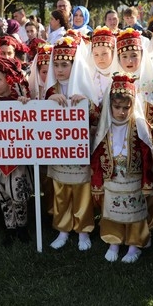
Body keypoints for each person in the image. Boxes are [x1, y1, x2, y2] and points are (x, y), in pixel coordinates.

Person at [91, 73, 153, 263]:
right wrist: (97, 183)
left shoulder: (139, 126)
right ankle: (114, 241)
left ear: (133, 105)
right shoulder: (105, 127)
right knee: (112, 212)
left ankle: (135, 245)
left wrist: (147, 183)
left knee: (135, 213)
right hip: (112, 180)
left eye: (126, 108)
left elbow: (147, 157)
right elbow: (97, 156)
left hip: (133, 181)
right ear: (109, 106)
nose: (121, 112)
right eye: (117, 107)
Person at [45, 36, 97, 251]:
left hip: (79, 152)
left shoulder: (85, 88)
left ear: (74, 65)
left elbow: (96, 116)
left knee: (81, 191)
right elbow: (40, 118)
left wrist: (84, 104)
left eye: (64, 65)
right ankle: (63, 229)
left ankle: (83, 230)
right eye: (56, 65)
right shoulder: (51, 90)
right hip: (58, 152)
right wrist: (48, 102)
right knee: (61, 191)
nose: (59, 70)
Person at [0, 57, 33, 245]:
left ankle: (22, 227)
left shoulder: (21, 102)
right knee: (2, 193)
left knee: (17, 192)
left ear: (9, 80)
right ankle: (9, 227)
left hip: (17, 158)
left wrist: (25, 106)